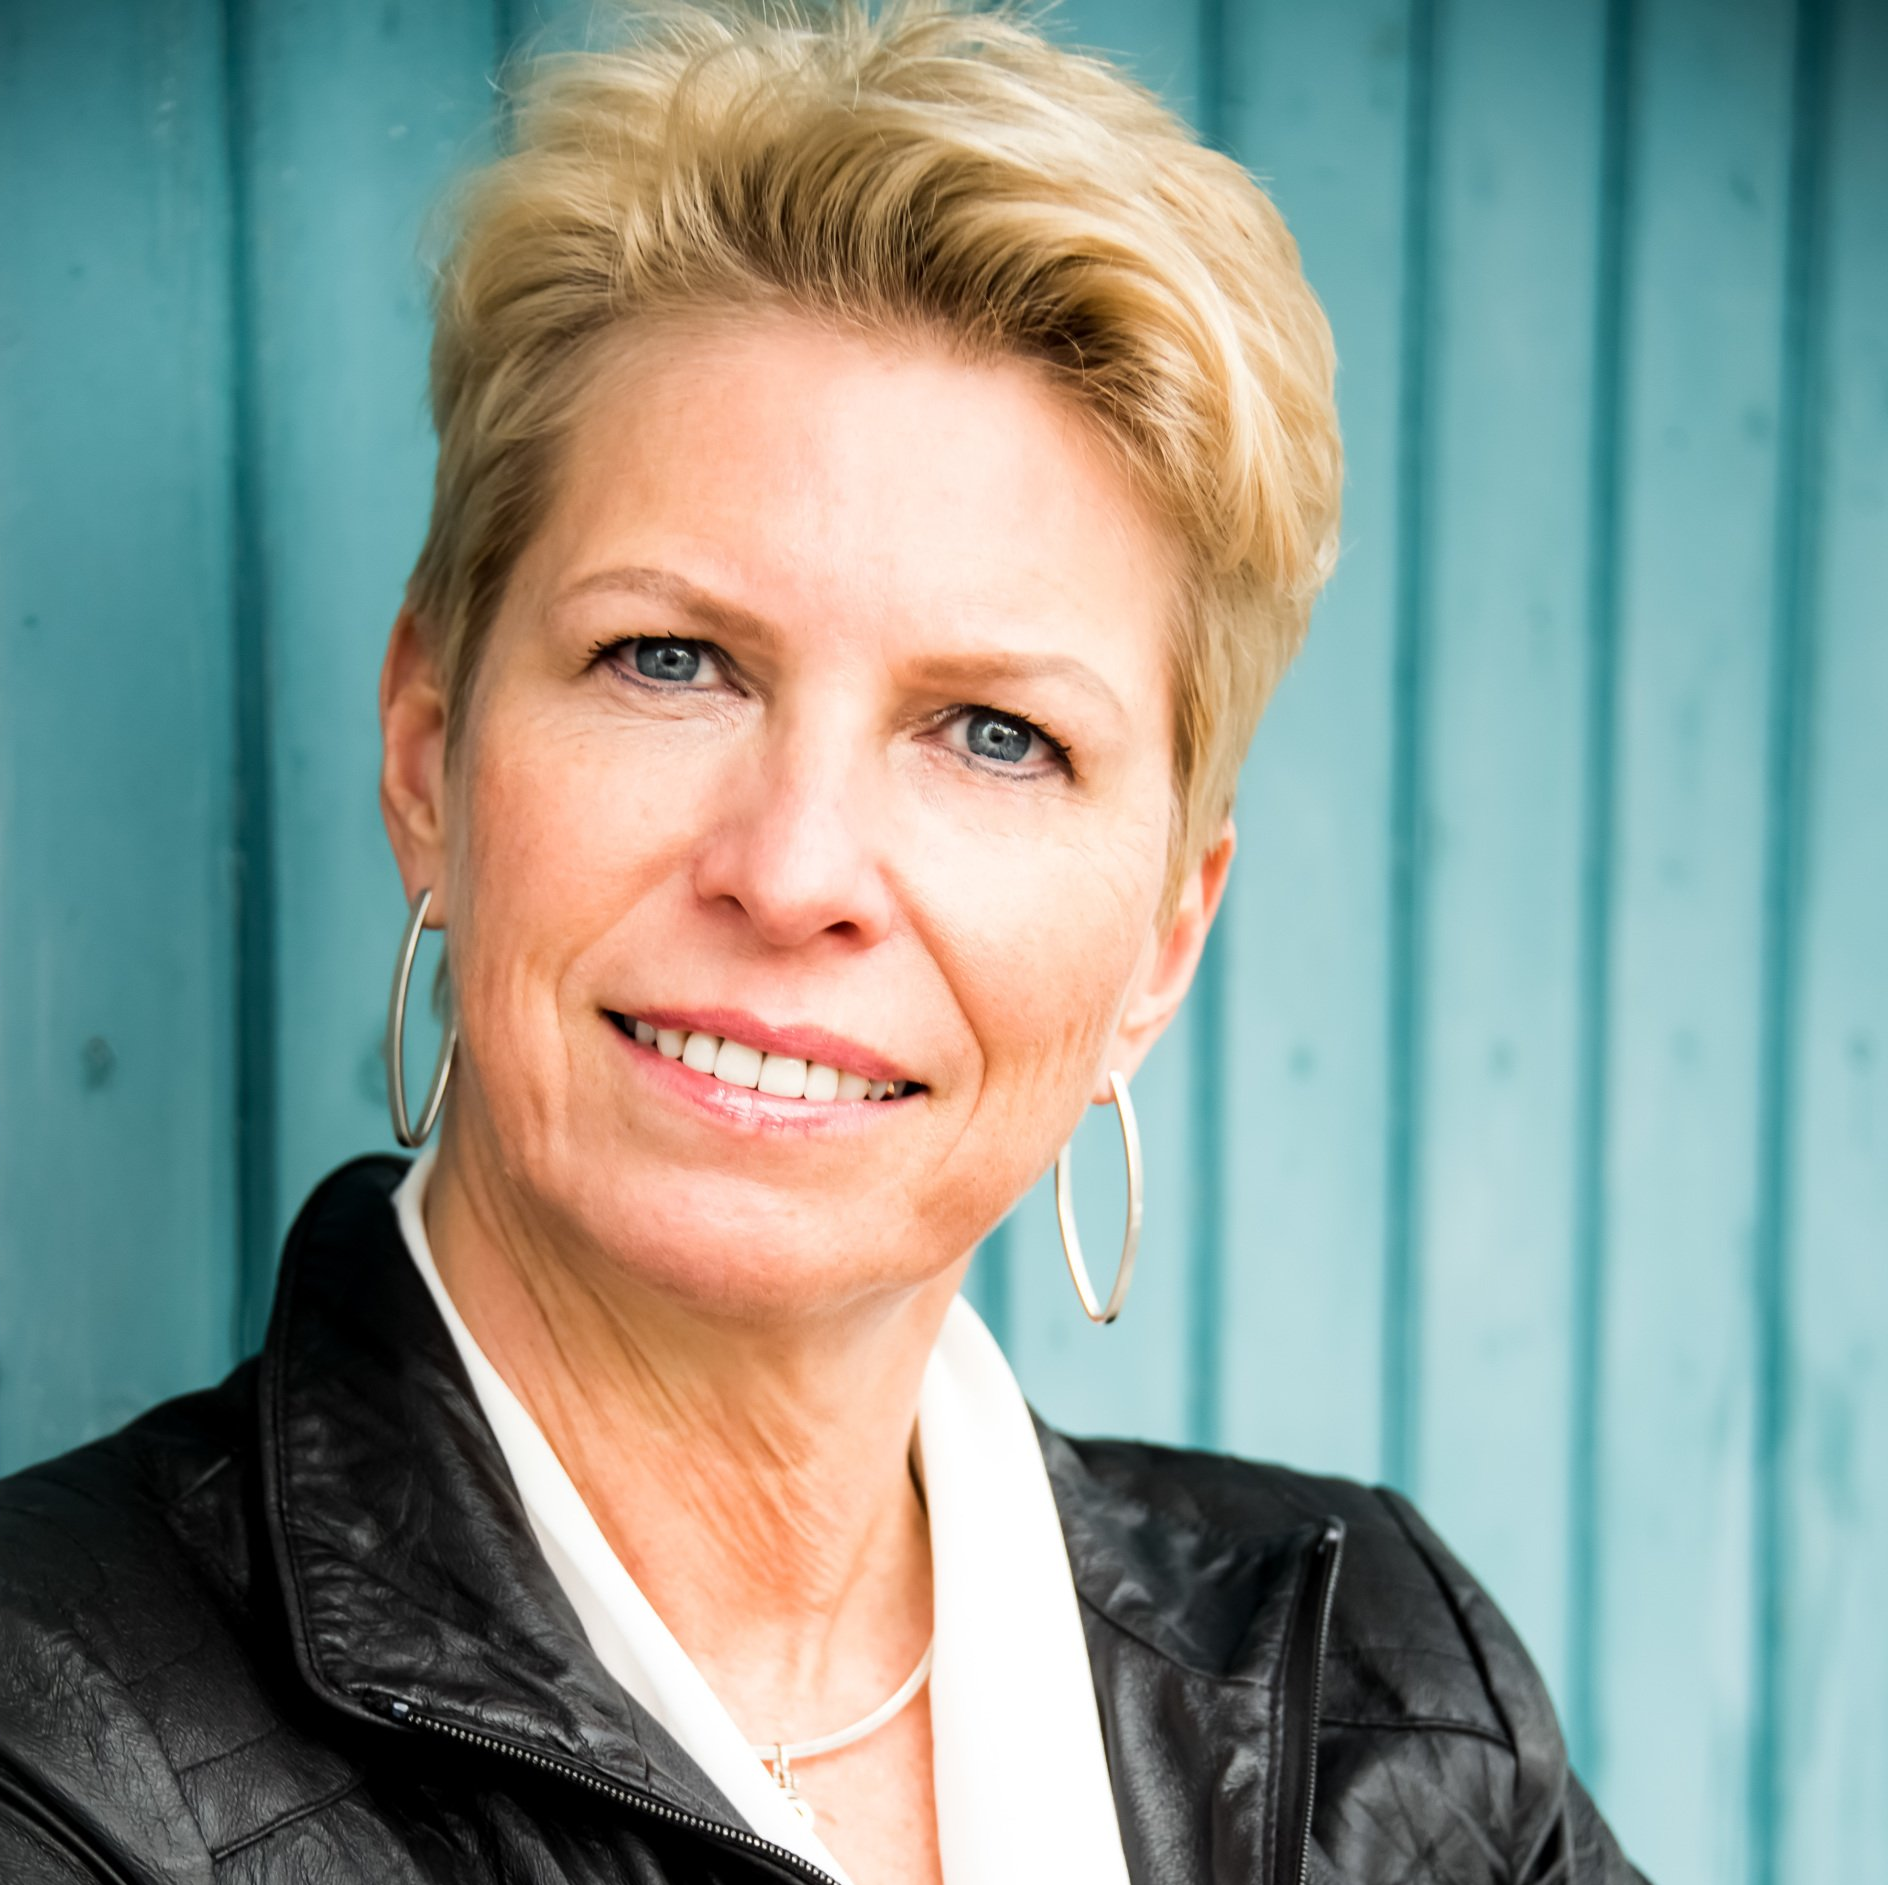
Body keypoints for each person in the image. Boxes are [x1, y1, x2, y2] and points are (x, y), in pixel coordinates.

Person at [0, 4, 1647, 1879]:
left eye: (996, 734)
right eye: (670, 659)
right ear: (428, 754)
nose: (793, 873)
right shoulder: (55, 1745)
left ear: (1166, 937)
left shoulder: (1391, 1709)